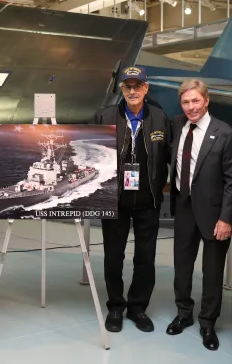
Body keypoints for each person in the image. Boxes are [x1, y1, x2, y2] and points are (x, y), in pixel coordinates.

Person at [91, 66, 171, 333]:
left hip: (148, 201)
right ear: (121, 89)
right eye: (128, 87)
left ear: (146, 88)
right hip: (114, 201)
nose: (133, 91)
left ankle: (138, 308)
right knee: (113, 257)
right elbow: (88, 152)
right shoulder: (104, 117)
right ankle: (115, 306)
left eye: (138, 86)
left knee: (145, 258)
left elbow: (169, 157)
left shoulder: (160, 118)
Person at [166, 79, 232, 351]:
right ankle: (183, 313)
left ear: (206, 101)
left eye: (195, 101)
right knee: (182, 267)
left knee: (212, 271)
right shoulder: (176, 126)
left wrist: (227, 218)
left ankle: (208, 322)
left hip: (214, 213)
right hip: (183, 207)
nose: (191, 107)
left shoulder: (225, 133)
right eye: (185, 102)